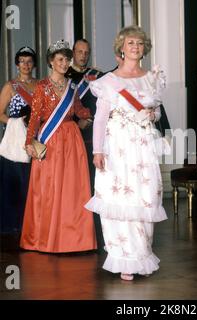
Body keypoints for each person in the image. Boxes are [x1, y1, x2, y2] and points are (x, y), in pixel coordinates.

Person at [85, 25, 168, 281]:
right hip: (117, 146)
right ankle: (123, 257)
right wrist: (97, 150)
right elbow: (99, 119)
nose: (135, 47)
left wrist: (151, 114)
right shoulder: (108, 82)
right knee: (120, 198)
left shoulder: (151, 78)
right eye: (130, 43)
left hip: (143, 145)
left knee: (144, 196)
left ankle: (141, 252)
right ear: (121, 47)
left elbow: (157, 113)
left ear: (144, 49)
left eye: (139, 43)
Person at [20, 40, 97, 253]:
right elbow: (35, 118)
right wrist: (29, 143)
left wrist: (93, 116)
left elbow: (80, 110)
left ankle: (73, 239)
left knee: (73, 189)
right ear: (51, 62)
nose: (65, 63)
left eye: (67, 59)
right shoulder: (42, 87)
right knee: (50, 189)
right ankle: (46, 239)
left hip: (72, 140)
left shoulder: (72, 86)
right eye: (61, 59)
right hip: (51, 141)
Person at [65, 39, 105, 250]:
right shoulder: (64, 75)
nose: (83, 55)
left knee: (93, 184)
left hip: (95, 138)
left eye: (86, 52)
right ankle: (75, 229)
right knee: (75, 184)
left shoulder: (96, 75)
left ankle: (95, 232)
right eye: (79, 52)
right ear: (73, 53)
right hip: (72, 136)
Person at [0, 46, 37, 234]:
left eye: (29, 61)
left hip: (36, 141)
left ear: (34, 64)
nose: (26, 65)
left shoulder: (40, 86)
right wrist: (16, 123)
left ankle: (31, 224)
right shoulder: (11, 86)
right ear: (17, 64)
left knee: (32, 184)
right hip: (16, 142)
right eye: (22, 61)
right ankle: (12, 227)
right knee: (14, 183)